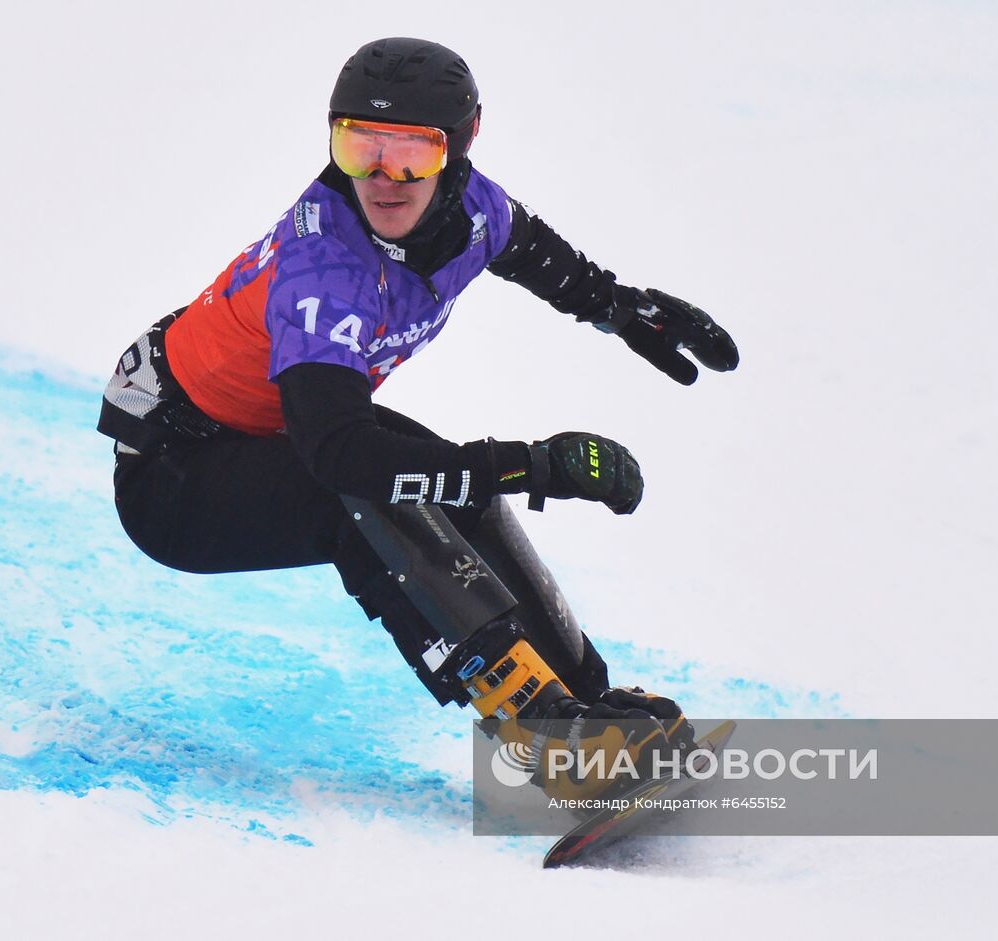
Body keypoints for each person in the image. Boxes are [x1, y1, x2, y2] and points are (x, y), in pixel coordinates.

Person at [98, 37, 738, 803]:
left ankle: (588, 703)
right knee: (367, 495)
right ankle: (549, 741)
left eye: (412, 152)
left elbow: (536, 254)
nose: (382, 177)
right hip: (177, 474)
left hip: (259, 423)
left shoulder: (473, 211)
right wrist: (530, 462)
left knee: (454, 485)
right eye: (358, 145)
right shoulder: (325, 270)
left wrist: (622, 310)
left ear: (460, 148)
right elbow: (338, 454)